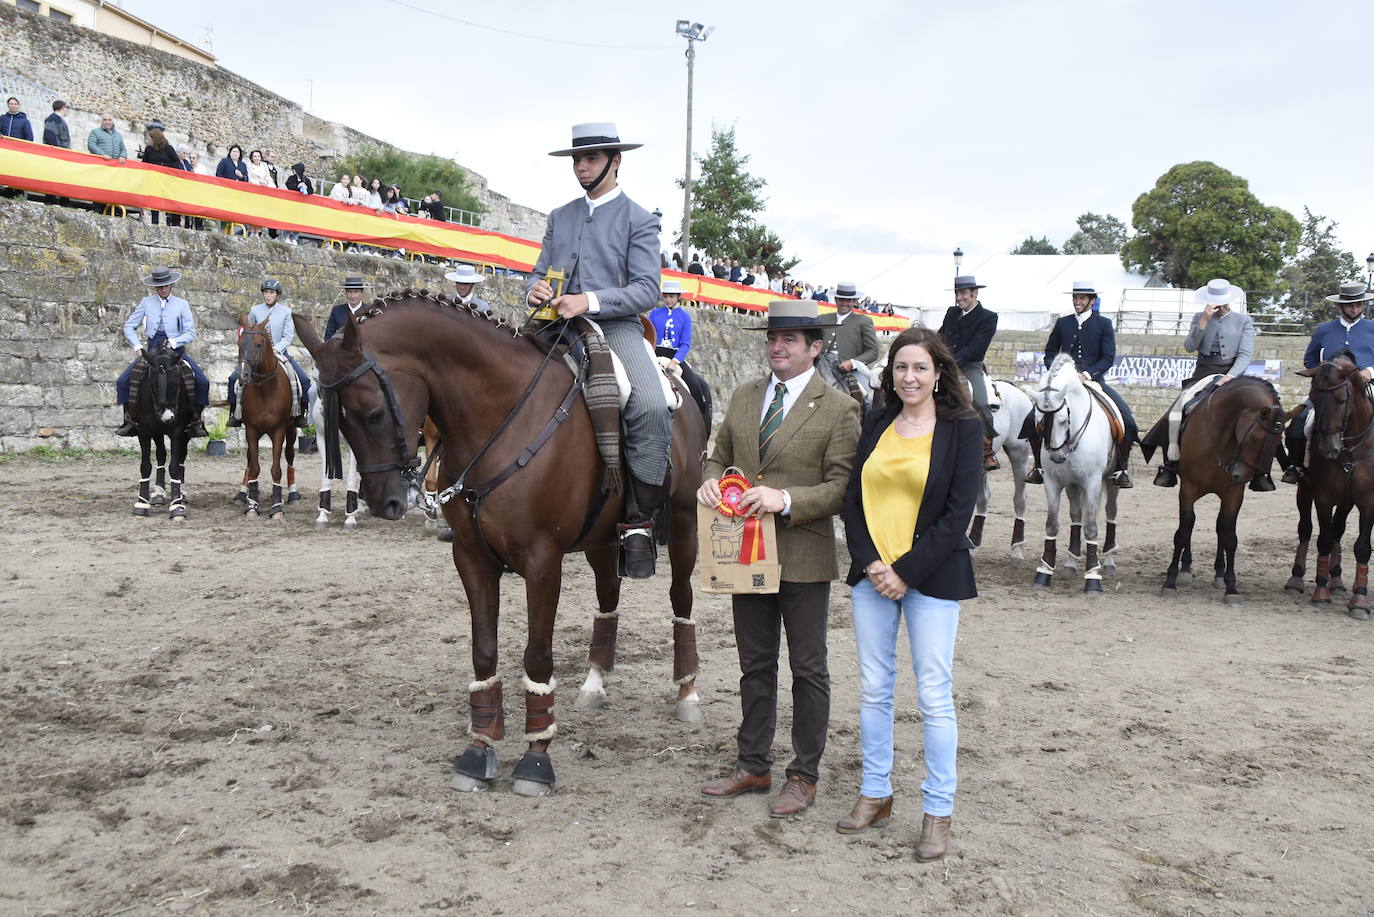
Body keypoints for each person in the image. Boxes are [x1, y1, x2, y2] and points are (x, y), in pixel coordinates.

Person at [697, 299, 861, 817]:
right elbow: (718, 452)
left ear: (815, 348)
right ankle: (753, 764)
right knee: (754, 664)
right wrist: (709, 477)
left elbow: (841, 486)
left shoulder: (839, 408)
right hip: (745, 557)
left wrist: (784, 500)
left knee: (808, 668)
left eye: (790, 339)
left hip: (803, 555)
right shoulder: (745, 397)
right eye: (773, 337)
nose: (778, 346)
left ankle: (804, 774)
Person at [837, 326, 980, 861]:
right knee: (874, 689)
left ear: (938, 372)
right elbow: (852, 501)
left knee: (934, 696)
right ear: (890, 373)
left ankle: (937, 810)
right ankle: (876, 794)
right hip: (872, 576)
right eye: (901, 367)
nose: (909, 376)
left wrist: (907, 572)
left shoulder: (963, 427)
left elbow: (957, 513)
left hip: (932, 578)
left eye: (920, 367)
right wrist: (873, 562)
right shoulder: (875, 421)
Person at [525, 121, 670, 579]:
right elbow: (538, 271)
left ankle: (639, 524)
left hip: (617, 327)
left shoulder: (640, 219)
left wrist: (590, 300)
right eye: (576, 160)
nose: (581, 167)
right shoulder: (559, 215)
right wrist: (533, 289)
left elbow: (648, 289)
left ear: (616, 160)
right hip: (554, 325)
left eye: (590, 159)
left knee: (650, 403)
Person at [1145, 278, 1267, 488]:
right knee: (1178, 409)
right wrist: (1203, 321)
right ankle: (1171, 464)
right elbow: (1190, 346)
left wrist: (1231, 376)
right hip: (1203, 372)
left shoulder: (1243, 321)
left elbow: (1245, 354)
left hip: (1231, 373)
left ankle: (1260, 470)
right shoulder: (1198, 317)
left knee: (1257, 413)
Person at [1026, 281, 1137, 487]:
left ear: (1092, 301)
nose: (1078, 302)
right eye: (1075, 298)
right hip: (1064, 384)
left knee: (1127, 420)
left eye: (1082, 298)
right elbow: (1050, 353)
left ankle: (1121, 468)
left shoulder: (1103, 324)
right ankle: (1038, 467)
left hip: (1093, 381)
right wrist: (1057, 371)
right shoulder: (1063, 323)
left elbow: (1108, 357)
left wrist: (1086, 374)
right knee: (1031, 419)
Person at [1281, 281, 1374, 484]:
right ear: (1340, 306)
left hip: (1366, 387)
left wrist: (1370, 371)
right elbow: (1310, 360)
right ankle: (1296, 467)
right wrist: (1324, 374)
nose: (1355, 309)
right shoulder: (1324, 330)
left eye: (1359, 305)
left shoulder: (1372, 328)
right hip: (1331, 391)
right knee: (1299, 425)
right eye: (1350, 305)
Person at [115, 266, 209, 438]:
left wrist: (175, 342)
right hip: (152, 351)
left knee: (202, 382)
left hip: (175, 351)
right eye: (160, 286)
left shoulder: (182, 304)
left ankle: (195, 420)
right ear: (155, 287)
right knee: (122, 381)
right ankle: (129, 421)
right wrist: (137, 346)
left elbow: (190, 332)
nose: (163, 289)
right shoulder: (146, 302)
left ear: (171, 285)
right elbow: (129, 326)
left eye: (166, 286)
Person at [227, 279, 312, 427]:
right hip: (256, 355)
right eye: (266, 292)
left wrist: (276, 349)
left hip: (280, 353)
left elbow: (288, 336)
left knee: (304, 380)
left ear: (277, 295)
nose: (268, 295)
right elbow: (247, 329)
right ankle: (235, 413)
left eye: (271, 293)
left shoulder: (286, 312)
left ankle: (300, 415)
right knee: (232, 378)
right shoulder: (255, 310)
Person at [937, 275, 1000, 471]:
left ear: (974, 293)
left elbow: (976, 346)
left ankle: (987, 449)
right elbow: (940, 335)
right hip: (945, 363)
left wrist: (951, 360)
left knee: (980, 402)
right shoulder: (952, 312)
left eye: (963, 293)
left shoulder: (988, 317)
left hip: (970, 365)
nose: (959, 297)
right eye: (957, 293)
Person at [650, 278, 711, 423]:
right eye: (665, 296)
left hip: (675, 357)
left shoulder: (685, 317)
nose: (668, 299)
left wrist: (674, 362)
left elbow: (685, 344)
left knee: (696, 387)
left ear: (678, 297)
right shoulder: (654, 313)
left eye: (671, 296)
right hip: (655, 353)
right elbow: (649, 337)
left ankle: (700, 421)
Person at [825, 281, 880, 375]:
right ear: (835, 299)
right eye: (841, 299)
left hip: (850, 371)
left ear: (855, 301)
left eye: (849, 300)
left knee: (865, 389)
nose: (844, 303)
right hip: (821, 366)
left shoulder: (864, 321)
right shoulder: (823, 319)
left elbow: (873, 351)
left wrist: (853, 363)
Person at [139, 122, 185, 226]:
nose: (148, 140)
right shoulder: (149, 149)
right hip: (154, 179)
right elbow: (145, 163)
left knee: (169, 200)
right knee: (154, 199)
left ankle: (172, 222)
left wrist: (164, 167)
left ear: (155, 138)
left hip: (166, 180)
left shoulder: (168, 149)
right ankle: (154, 221)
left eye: (150, 138)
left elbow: (177, 163)